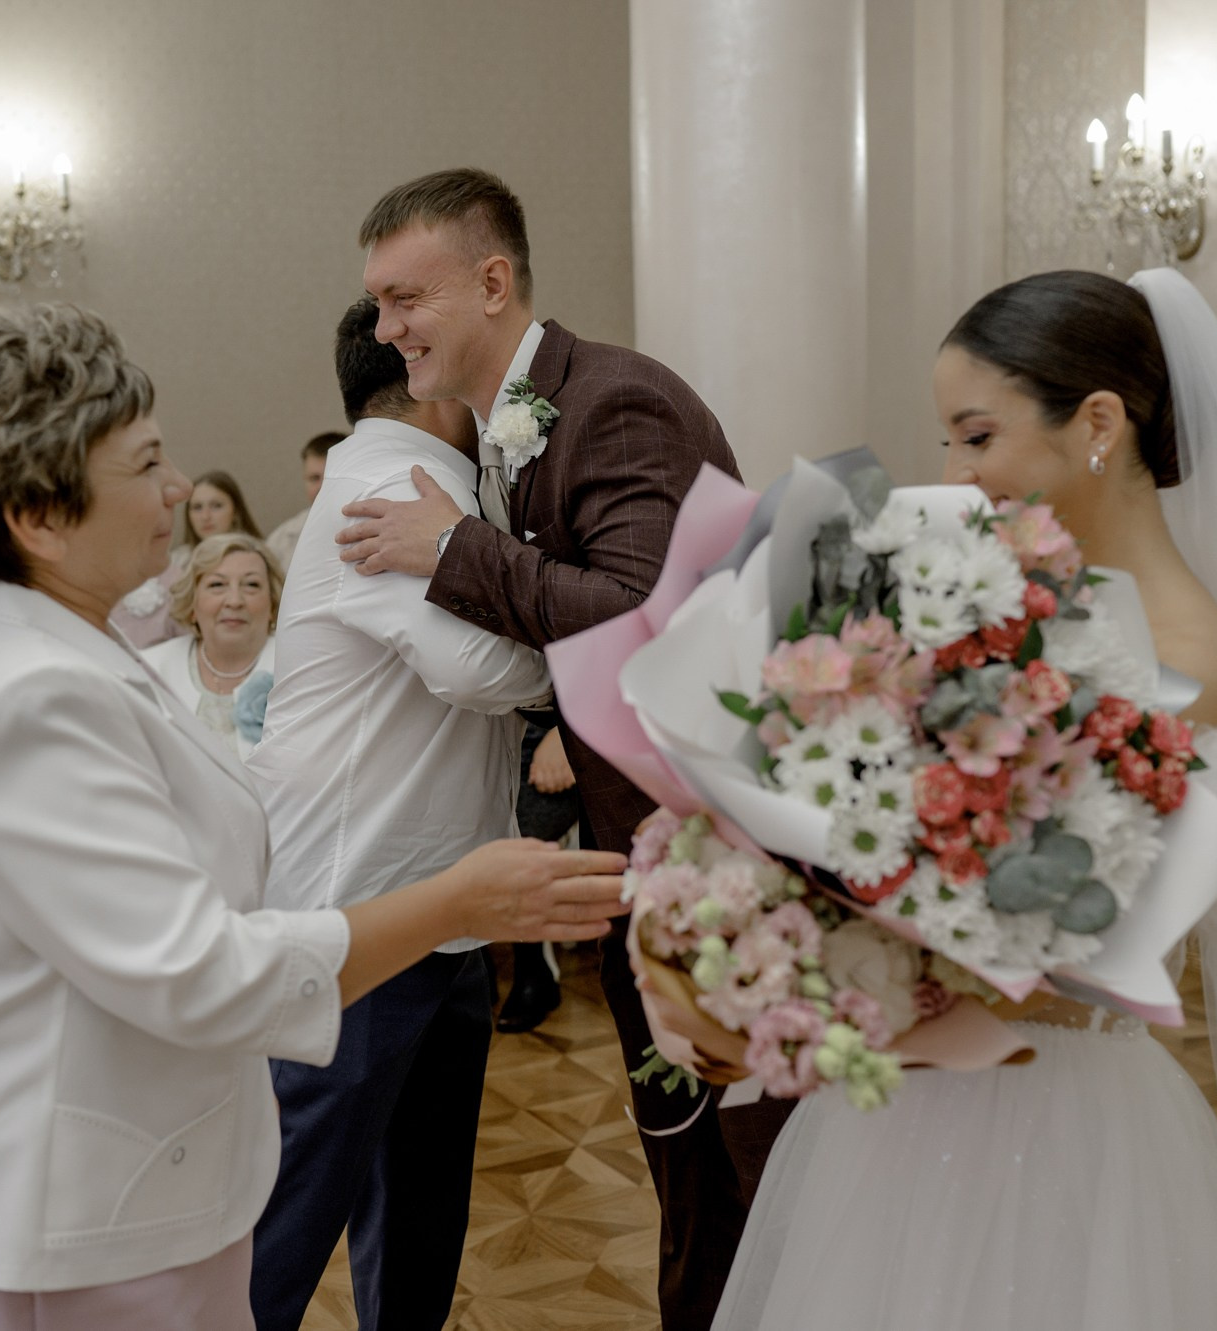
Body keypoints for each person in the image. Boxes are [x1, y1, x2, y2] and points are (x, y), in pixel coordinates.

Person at [0, 301, 627, 1331]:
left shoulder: (39, 645)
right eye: (146, 463)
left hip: (104, 1183)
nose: (179, 488)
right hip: (62, 1222)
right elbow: (197, 972)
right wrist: (459, 899)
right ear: (39, 515)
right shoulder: (28, 696)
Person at [709, 269, 1217, 1330]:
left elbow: (1087, 962)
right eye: (947, 439)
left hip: (1062, 1132)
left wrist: (828, 975)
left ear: (1096, 424)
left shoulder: (1194, 661)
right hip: (906, 1116)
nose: (952, 473)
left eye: (976, 436)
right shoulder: (988, 611)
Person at [331, 166, 779, 1330]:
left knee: (737, 1162)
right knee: (685, 1156)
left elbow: (638, 616)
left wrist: (451, 549)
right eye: (377, 303)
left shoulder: (613, 400)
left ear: (492, 283)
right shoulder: (510, 425)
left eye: (403, 298)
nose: (385, 327)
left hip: (711, 861)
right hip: (636, 848)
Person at [245, 298, 553, 1331]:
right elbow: (480, 670)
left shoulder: (426, 482)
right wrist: (587, 634)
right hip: (357, 910)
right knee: (289, 1217)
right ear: (420, 367)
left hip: (436, 902)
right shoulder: (390, 484)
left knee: (418, 1204)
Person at [139, 532, 282, 759]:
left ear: (273, 603)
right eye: (217, 585)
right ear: (193, 603)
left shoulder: (298, 669)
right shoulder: (148, 669)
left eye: (251, 585)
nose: (234, 601)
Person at [492, 720, 581, 1033]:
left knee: (520, 836)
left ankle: (533, 967)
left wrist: (567, 733)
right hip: (480, 739)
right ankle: (473, 963)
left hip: (549, 735)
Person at [110, 470, 259, 648]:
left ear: (236, 510)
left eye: (216, 506)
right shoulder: (173, 563)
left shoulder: (257, 558)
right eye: (197, 507)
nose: (206, 516)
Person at [261, 432, 343, 571]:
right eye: (314, 478)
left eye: (330, 477)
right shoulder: (281, 540)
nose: (322, 487)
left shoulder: (379, 528)